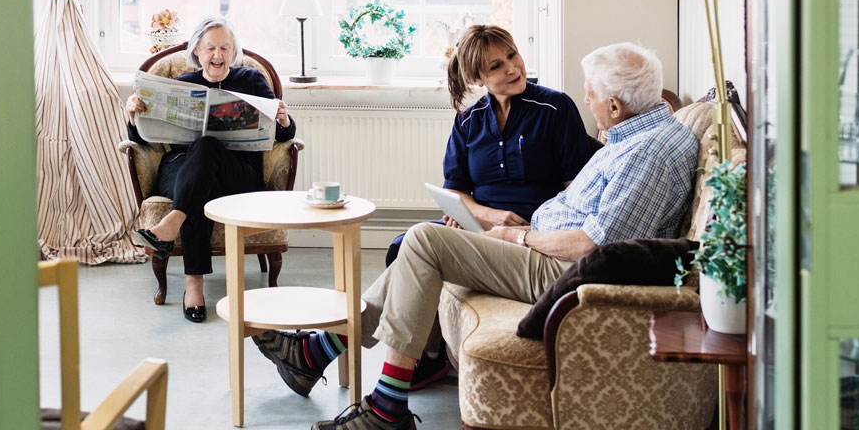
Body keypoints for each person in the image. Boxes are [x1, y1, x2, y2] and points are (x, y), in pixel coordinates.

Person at [251, 43, 698, 429]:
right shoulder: (634, 136)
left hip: (563, 269)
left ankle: (378, 401)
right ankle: (323, 358)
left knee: (424, 241)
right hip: (545, 243)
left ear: (616, 105)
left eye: (593, 95)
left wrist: (516, 238)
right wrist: (496, 224)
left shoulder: (650, 153)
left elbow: (592, 246)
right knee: (420, 243)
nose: (588, 100)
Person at [382, 24, 601, 391]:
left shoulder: (554, 107)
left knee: (419, 245)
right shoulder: (468, 121)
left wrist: (515, 228)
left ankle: (336, 345)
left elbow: (574, 191)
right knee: (401, 246)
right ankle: (429, 355)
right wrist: (482, 215)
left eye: (512, 55)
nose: (512, 69)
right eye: (496, 66)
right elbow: (458, 191)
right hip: (478, 223)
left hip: (531, 229)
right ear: (478, 77)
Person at [124, 16, 296, 323]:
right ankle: (194, 281)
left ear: (234, 51)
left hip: (237, 171)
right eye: (210, 48)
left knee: (208, 146)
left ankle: (177, 231)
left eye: (225, 48)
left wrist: (283, 119)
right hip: (180, 169)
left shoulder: (252, 81)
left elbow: (282, 136)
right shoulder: (181, 86)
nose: (217, 55)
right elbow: (143, 139)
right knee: (199, 170)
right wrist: (133, 116)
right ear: (197, 52)